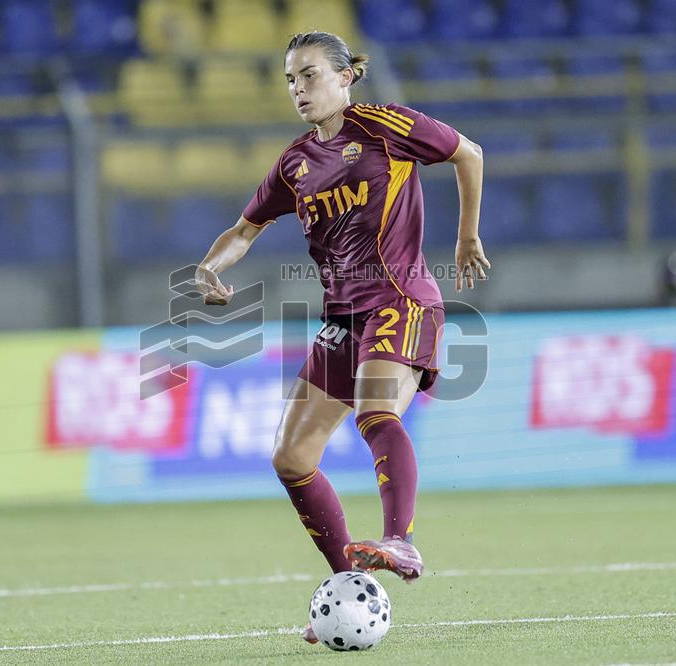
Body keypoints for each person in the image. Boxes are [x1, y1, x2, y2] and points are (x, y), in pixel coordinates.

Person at [194, 31, 488, 642]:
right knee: (291, 457)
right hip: (342, 317)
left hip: (401, 299)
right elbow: (244, 231)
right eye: (290, 79)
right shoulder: (295, 163)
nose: (298, 89)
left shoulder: (386, 127)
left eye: (309, 75)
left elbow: (470, 153)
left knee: (375, 412)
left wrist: (466, 236)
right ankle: (350, 587)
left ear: (345, 76)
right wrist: (208, 267)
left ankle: (401, 542)